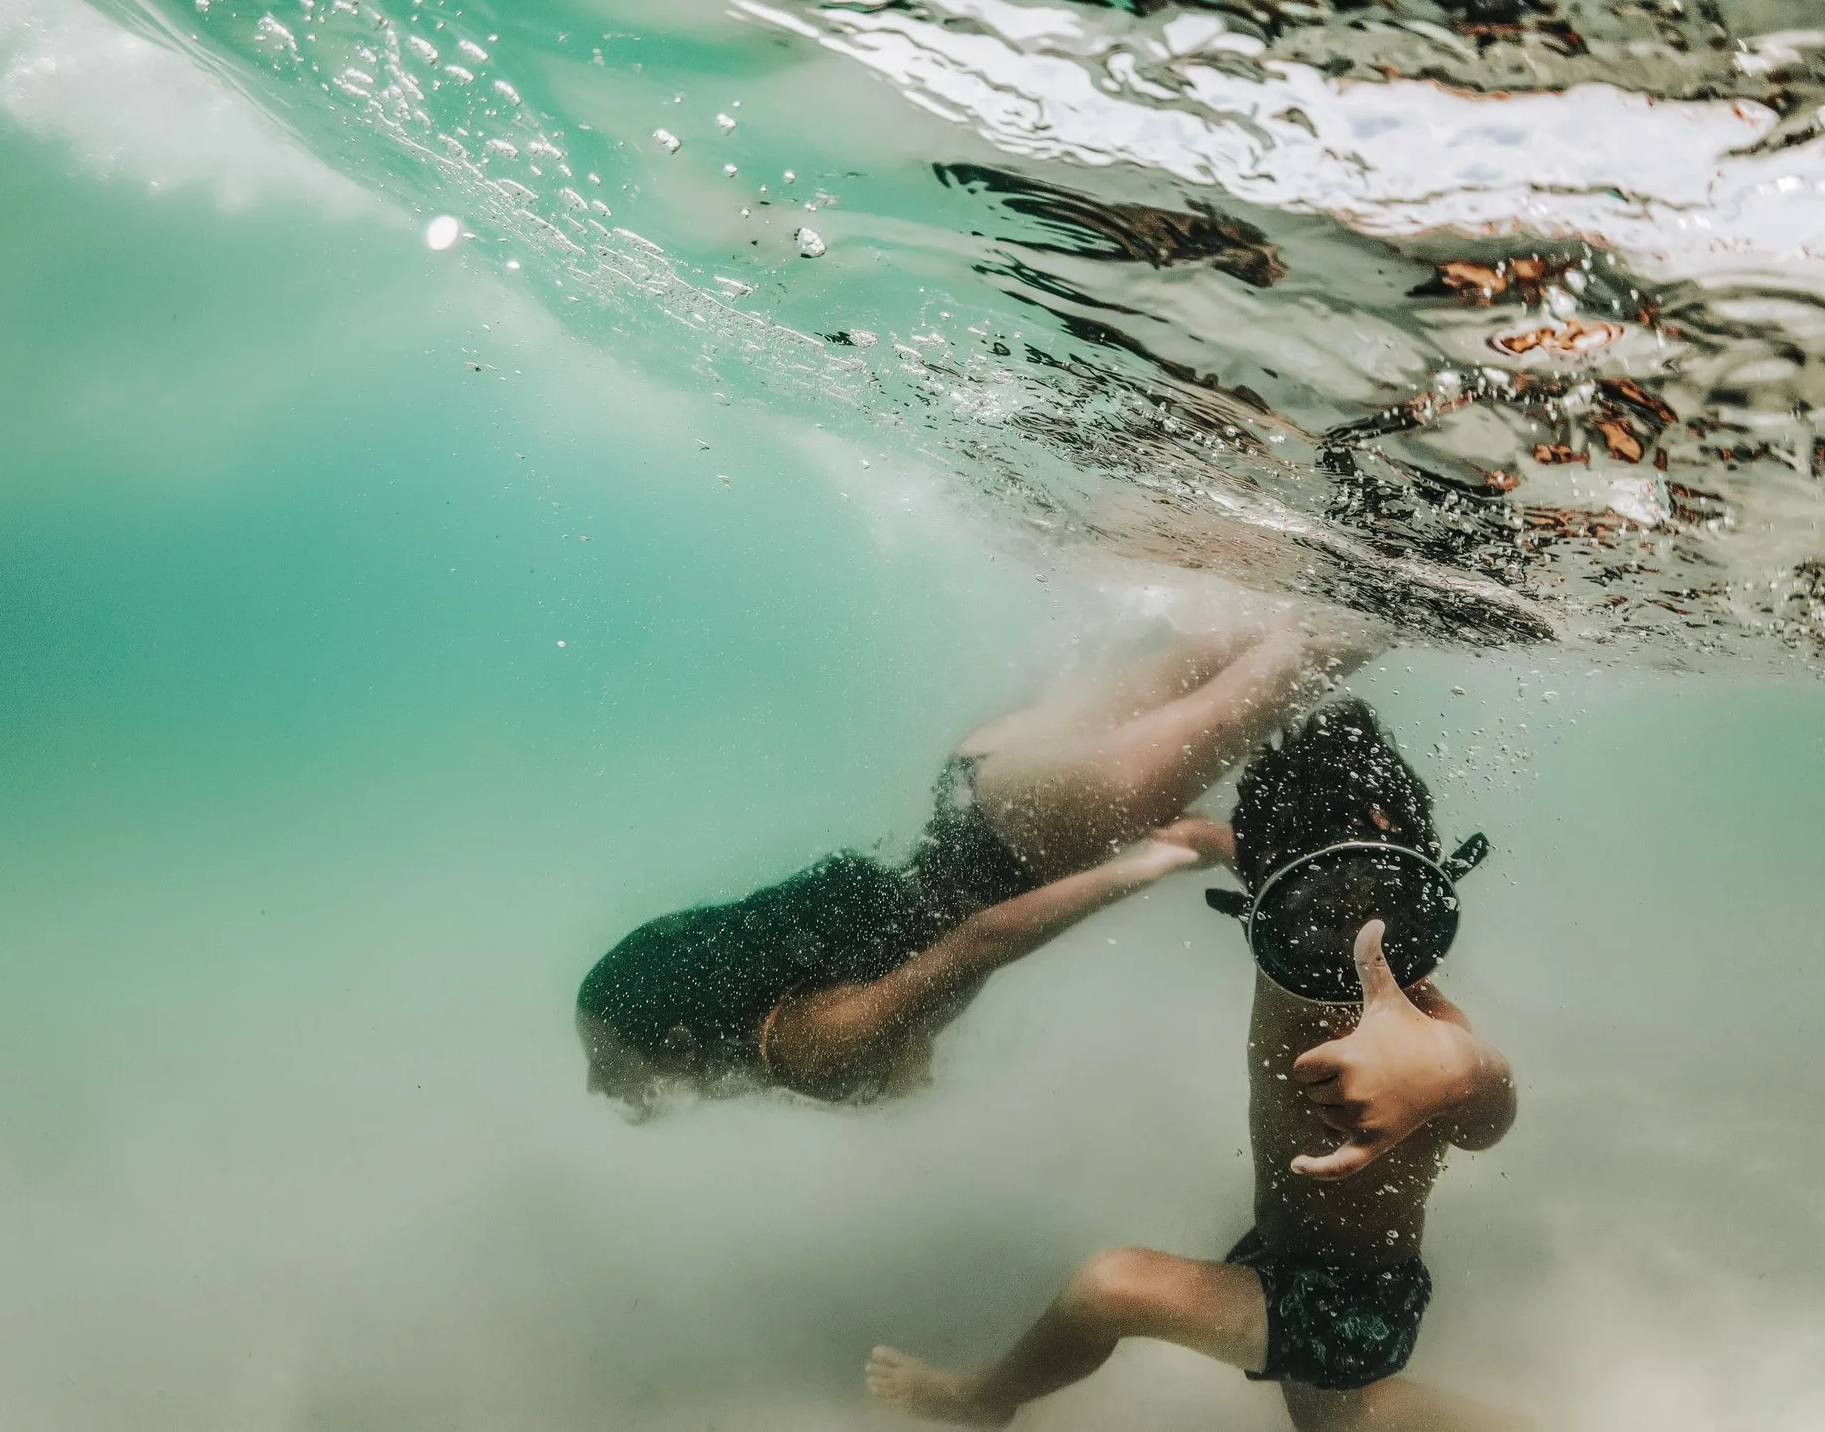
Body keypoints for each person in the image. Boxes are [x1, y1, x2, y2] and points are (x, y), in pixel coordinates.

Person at [866, 700, 1520, 1432]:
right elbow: (1267, 852)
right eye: (1320, 905)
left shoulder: (1418, 1020)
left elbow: (1487, 1098)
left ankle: (984, 1399)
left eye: (1382, 900)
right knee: (1346, 1423)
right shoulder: (1278, 917)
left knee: (1109, 1287)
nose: (1351, 935)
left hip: (1350, 1301)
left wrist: (1457, 1071)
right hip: (1286, 1249)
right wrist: (1209, 837)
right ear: (1274, 891)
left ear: (1419, 885)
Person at [576, 611, 1386, 1112]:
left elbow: (980, 940)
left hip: (1026, 841)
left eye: (608, 1056)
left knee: (1303, 651)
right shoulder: (784, 1005)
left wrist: (1156, 860)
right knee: (1287, 619)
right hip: (976, 786)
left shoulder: (796, 1048)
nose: (598, 1084)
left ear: (679, 1034)